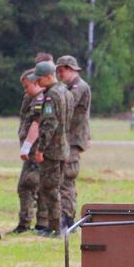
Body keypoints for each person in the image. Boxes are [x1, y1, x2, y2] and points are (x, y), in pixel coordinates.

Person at [27, 61, 71, 237]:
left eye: (39, 79)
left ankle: (55, 228)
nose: (37, 82)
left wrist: (40, 149)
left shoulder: (51, 95)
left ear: (48, 77)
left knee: (50, 189)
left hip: (52, 150)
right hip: (63, 147)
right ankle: (55, 226)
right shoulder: (65, 92)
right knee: (55, 188)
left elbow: (49, 124)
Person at [56, 55, 90, 229]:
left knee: (67, 179)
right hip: (67, 139)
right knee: (62, 179)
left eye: (61, 71)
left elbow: (66, 105)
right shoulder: (68, 87)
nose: (59, 74)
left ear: (70, 69)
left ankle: (67, 218)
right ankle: (63, 216)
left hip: (72, 140)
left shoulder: (79, 87)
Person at [11, 69, 43, 234]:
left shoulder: (40, 100)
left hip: (36, 151)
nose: (25, 90)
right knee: (34, 186)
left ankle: (32, 224)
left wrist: (28, 146)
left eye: (26, 87)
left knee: (29, 186)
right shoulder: (37, 98)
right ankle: (37, 224)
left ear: (36, 83)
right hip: (35, 151)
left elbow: (36, 125)